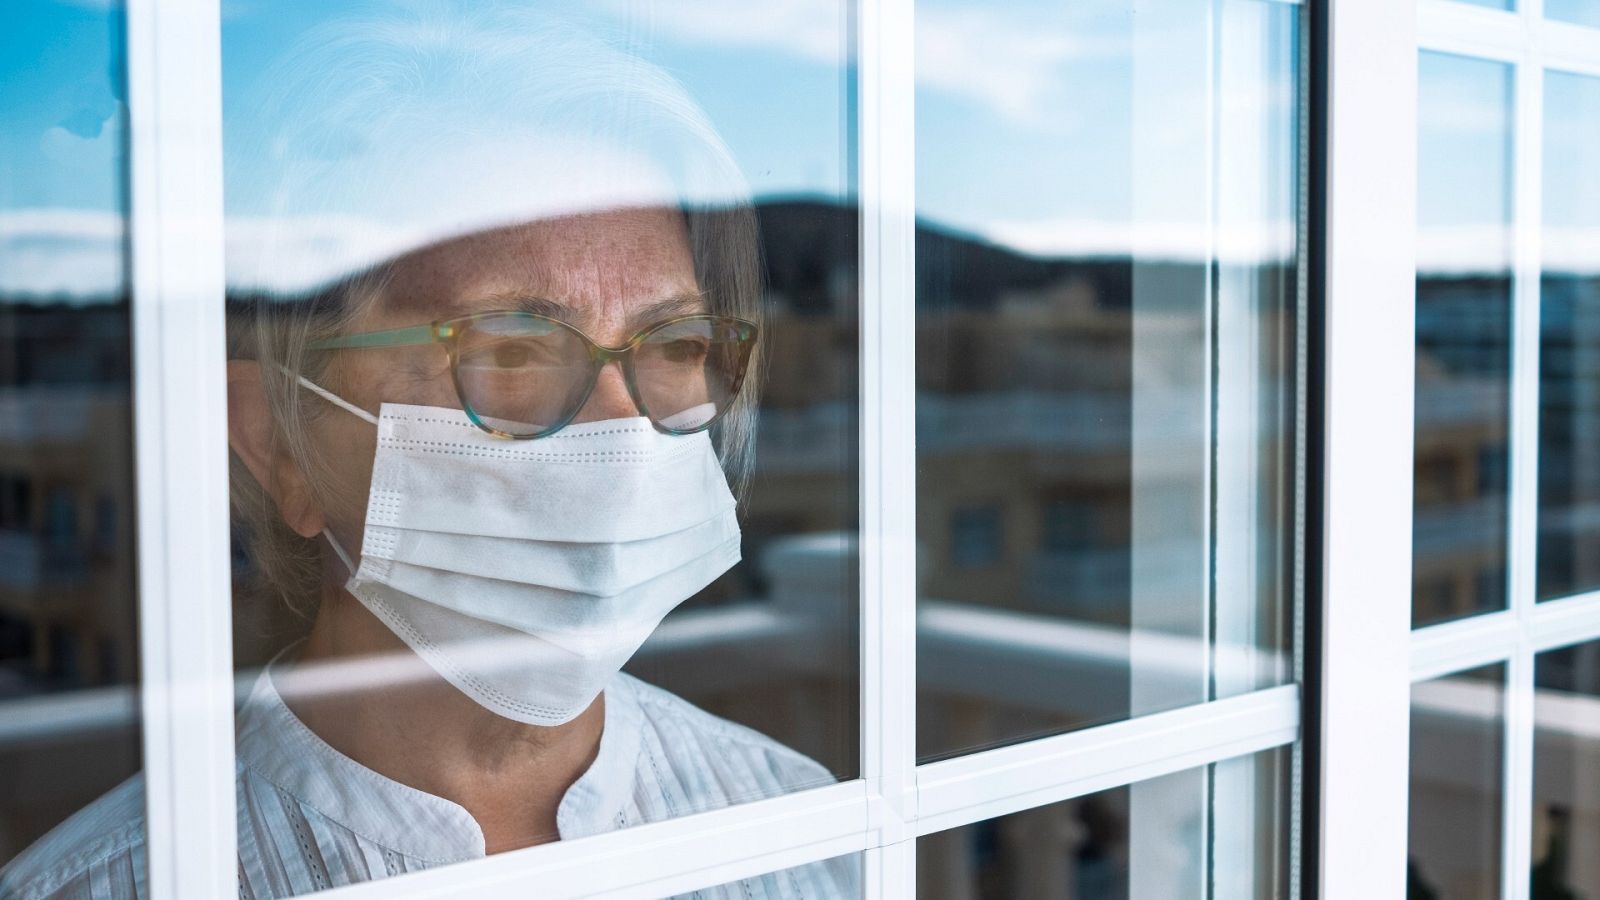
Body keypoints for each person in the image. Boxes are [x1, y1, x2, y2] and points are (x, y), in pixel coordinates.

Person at [0, 6, 855, 898]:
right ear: (277, 441)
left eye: (676, 344)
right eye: (513, 350)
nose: (623, 431)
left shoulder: (801, 830)